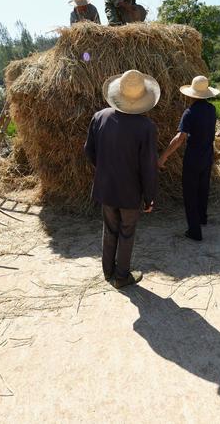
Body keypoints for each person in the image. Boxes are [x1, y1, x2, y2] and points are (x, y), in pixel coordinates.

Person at [84, 70, 159, 289]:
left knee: (110, 229)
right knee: (127, 233)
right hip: (130, 192)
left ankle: (108, 271)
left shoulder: (100, 117)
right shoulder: (146, 128)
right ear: (143, 98)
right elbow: (148, 167)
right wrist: (149, 197)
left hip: (106, 189)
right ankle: (122, 276)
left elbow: (89, 151)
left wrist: (105, 169)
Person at [158, 75, 219, 241]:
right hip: (207, 156)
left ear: (191, 95)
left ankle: (194, 231)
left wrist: (162, 158)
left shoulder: (189, 112)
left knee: (190, 193)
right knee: (203, 188)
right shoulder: (212, 109)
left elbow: (179, 139)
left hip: (193, 158)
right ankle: (202, 218)